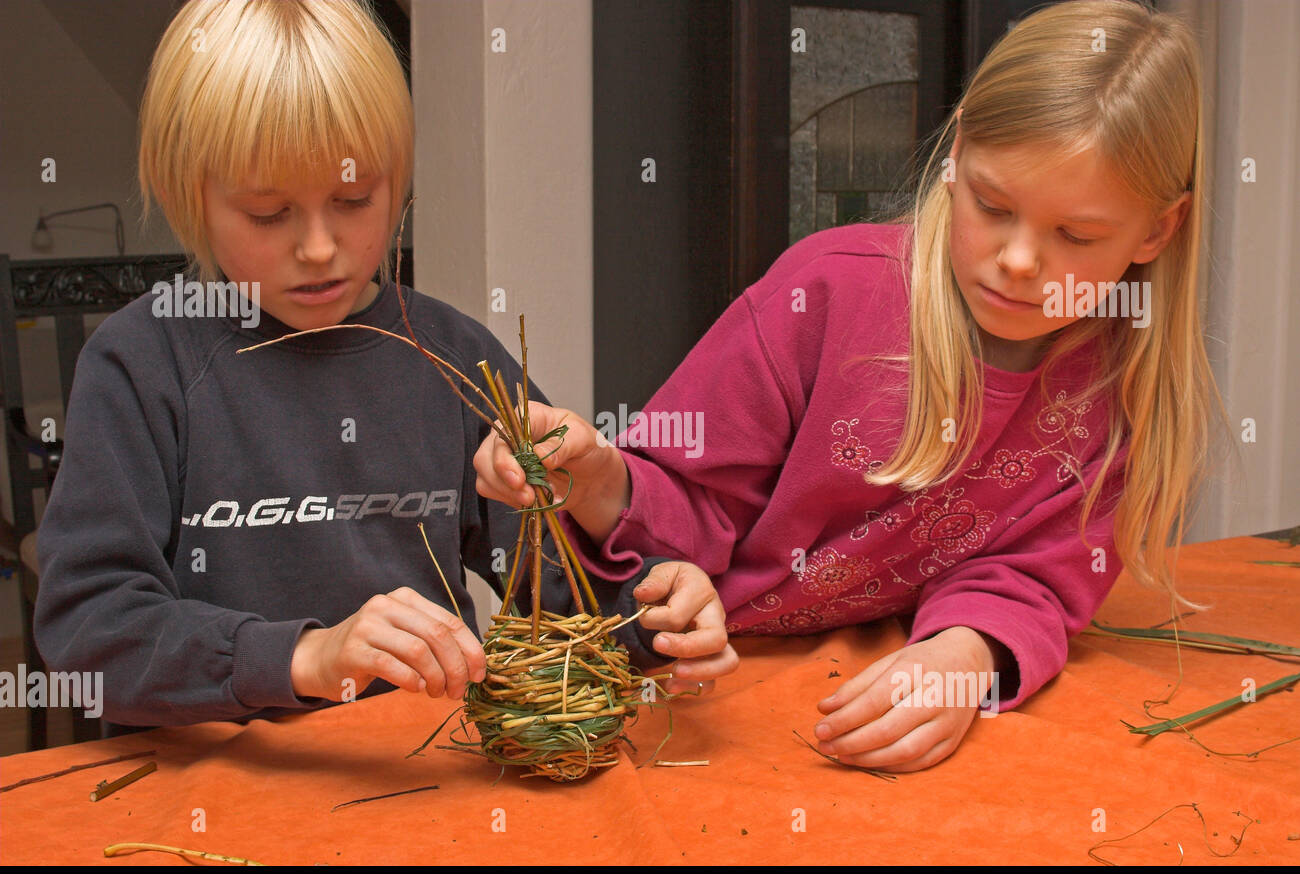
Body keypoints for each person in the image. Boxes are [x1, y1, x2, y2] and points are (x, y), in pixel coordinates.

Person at [475, 0, 1218, 772]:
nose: (1020, 261)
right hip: (670, 676)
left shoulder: (1123, 381)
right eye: (993, 206)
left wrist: (965, 658)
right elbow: (686, 504)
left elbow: (1032, 572)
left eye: (1077, 235)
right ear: (957, 151)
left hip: (819, 709)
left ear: (1158, 231)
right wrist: (597, 478)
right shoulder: (825, 295)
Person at [34, 0, 737, 734]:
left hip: (420, 792)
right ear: (191, 196)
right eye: (268, 213)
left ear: (398, 181)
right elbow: (91, 634)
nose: (317, 247)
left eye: (353, 198)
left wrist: (656, 618)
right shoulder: (142, 363)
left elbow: (562, 604)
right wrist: (305, 657)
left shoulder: (456, 359)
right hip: (206, 805)